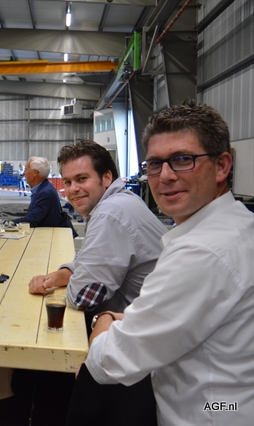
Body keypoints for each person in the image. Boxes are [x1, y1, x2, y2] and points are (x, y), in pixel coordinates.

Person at [82, 101, 254, 426]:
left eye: (183, 160)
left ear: (221, 166)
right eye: (155, 163)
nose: (165, 176)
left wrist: (103, 321)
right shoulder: (238, 225)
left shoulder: (201, 253)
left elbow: (109, 363)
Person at [28, 140, 167, 320]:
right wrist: (56, 277)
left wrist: (71, 281)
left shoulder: (110, 214)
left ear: (107, 178)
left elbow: (82, 298)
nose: (73, 189)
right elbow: (88, 257)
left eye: (82, 179)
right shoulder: (122, 201)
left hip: (141, 327)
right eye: (68, 182)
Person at [11, 156, 62, 227]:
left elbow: (31, 220)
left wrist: (8, 223)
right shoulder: (44, 188)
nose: (24, 173)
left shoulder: (45, 193)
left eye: (26, 169)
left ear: (35, 172)